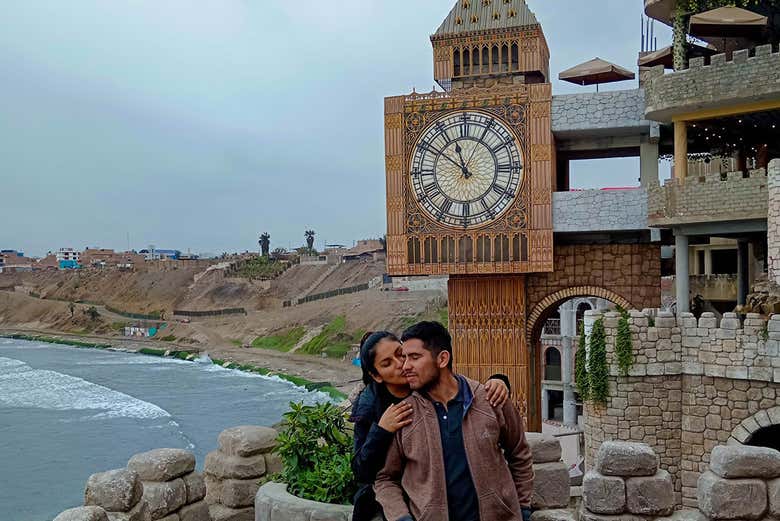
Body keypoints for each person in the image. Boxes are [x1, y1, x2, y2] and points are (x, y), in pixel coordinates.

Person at [374, 321, 534, 521]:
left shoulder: (490, 400)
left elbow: (519, 454)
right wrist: (401, 517)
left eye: (414, 357)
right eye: (404, 358)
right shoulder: (404, 414)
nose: (405, 366)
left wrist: (523, 508)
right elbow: (385, 479)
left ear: (442, 359)